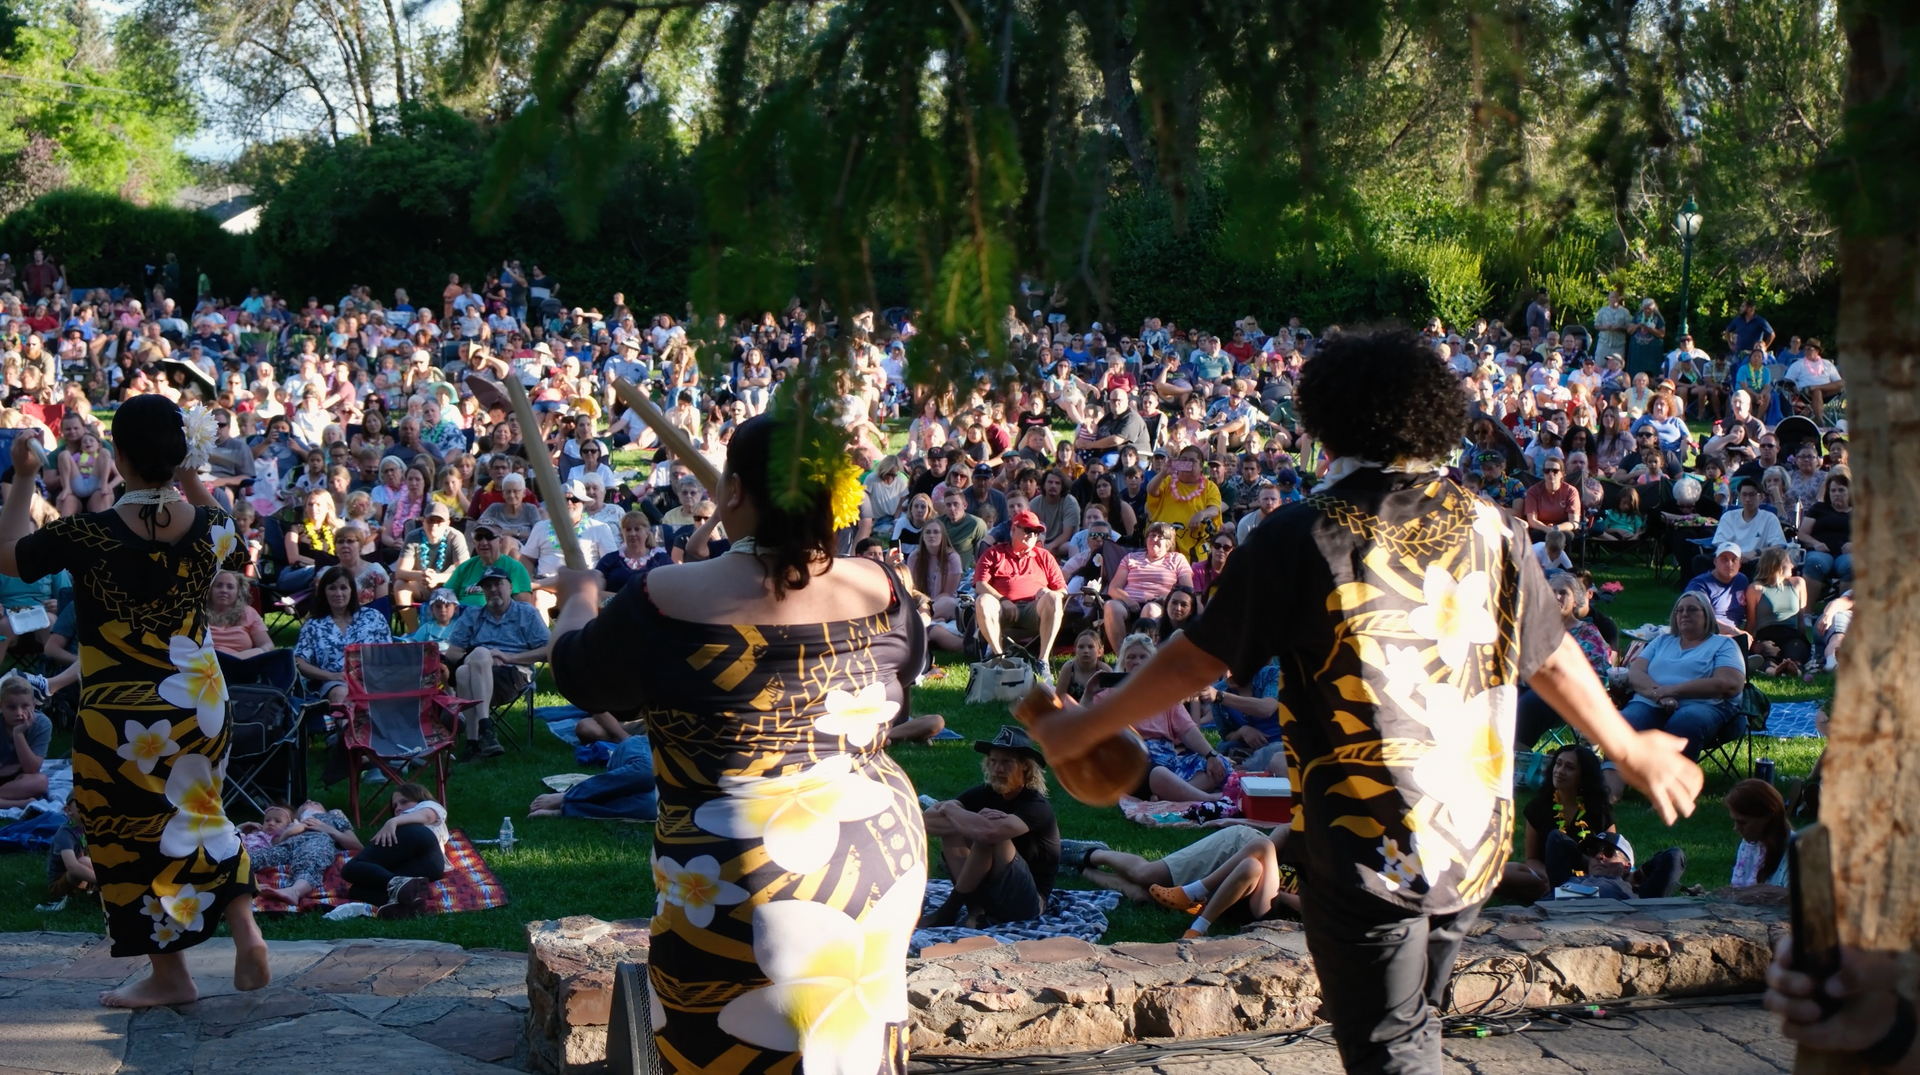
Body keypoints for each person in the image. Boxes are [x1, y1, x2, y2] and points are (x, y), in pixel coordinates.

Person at [1030, 328, 1701, 1075]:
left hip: (1367, 844)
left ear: (1327, 422)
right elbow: (1550, 652)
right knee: (1411, 1025)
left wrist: (1090, 721)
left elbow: (1200, 657)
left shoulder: (1302, 534)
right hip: (1471, 844)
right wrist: (1626, 744)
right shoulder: (1494, 528)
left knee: (1390, 1050)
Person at [544, 413, 927, 1075]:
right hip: (878, 851)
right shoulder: (881, 586)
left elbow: (580, 676)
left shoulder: (663, 596)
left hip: (741, 865)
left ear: (735, 491)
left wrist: (578, 597)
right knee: (846, 1048)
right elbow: (900, 686)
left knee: (726, 1048)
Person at [0, 394, 270, 1008]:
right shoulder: (211, 530)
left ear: (116, 455)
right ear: (180, 455)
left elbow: (10, 554)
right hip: (198, 699)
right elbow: (236, 547)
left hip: (120, 710)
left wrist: (23, 476)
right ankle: (246, 930)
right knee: (203, 813)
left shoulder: (86, 533)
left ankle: (171, 975)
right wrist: (189, 476)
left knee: (124, 830)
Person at [920, 725, 1060, 927]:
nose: (998, 769)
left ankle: (949, 910)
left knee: (991, 836)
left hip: (1027, 903)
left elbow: (988, 833)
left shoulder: (1036, 805)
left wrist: (952, 810)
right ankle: (976, 910)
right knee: (957, 831)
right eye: (993, 761)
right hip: (990, 892)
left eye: (1006, 762)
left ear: (1025, 766)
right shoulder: (984, 793)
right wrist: (965, 818)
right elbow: (927, 821)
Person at [1620, 591, 1747, 759]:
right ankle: (1611, 774)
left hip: (1703, 706)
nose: (1684, 614)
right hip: (1651, 701)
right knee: (1627, 722)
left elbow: (1730, 684)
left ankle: (1669, 775)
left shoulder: (1723, 644)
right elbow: (1636, 672)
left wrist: (1673, 691)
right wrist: (1660, 695)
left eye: (1692, 609)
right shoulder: (1661, 641)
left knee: (1685, 722)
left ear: (1707, 614)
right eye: (1679, 610)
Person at [445, 566, 551, 760]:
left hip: (513, 674)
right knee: (471, 663)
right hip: (477, 671)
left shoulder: (526, 613)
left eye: (498, 584)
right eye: (487, 586)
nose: (493, 589)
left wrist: (508, 657)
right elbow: (453, 653)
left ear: (510, 587)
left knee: (465, 670)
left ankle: (475, 739)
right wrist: (482, 658)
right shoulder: (472, 615)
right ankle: (483, 733)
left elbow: (547, 650)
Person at [1495, 744, 1615, 904]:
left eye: (1570, 767)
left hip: (1588, 879)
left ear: (1584, 776)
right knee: (1499, 871)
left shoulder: (1600, 810)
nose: (1560, 771)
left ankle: (1557, 894)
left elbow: (1611, 856)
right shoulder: (1538, 807)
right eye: (1558, 764)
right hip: (1545, 877)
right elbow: (1532, 859)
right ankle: (1557, 892)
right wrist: (1549, 877)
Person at [1514, 573, 1613, 749]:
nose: (1556, 597)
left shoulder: (1587, 633)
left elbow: (1599, 675)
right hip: (1525, 688)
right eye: (1552, 592)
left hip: (1565, 696)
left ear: (1576, 601)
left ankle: (1516, 758)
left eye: (1563, 592)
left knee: (1530, 704)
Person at [971, 509, 1067, 676]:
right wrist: (1003, 600)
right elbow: (980, 585)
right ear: (1014, 529)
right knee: (983, 600)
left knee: (1053, 597)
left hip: (1034, 609)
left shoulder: (1044, 556)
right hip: (1001, 609)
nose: (1032, 535)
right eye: (1027, 530)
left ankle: (1042, 661)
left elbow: (1062, 590)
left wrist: (1048, 591)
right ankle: (999, 657)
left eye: (1036, 532)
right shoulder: (994, 553)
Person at [340, 783, 447, 918]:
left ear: (421, 799)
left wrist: (392, 822)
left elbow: (425, 816)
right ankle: (407, 904)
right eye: (395, 806)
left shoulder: (428, 806)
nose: (398, 808)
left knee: (351, 868)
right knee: (357, 890)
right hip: (431, 866)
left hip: (420, 839)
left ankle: (395, 882)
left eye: (404, 802)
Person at [292, 566, 394, 706]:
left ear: (352, 591)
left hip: (373, 679)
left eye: (343, 588)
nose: (338, 593)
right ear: (324, 592)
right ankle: (348, 720)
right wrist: (331, 676)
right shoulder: (314, 625)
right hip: (335, 682)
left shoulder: (373, 617)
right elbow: (298, 661)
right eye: (332, 588)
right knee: (341, 694)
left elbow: (389, 653)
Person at [1100, 521, 1193, 651]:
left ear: (1169, 543)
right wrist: (1129, 601)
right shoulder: (1131, 558)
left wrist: (1167, 598)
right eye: (1152, 535)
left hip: (1159, 603)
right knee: (1111, 606)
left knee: (1150, 609)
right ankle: (1122, 655)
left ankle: (1146, 655)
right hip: (1129, 603)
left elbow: (1187, 590)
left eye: (1160, 537)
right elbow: (1114, 588)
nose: (1154, 539)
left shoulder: (1177, 559)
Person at [207, 570, 294, 690]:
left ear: (238, 592)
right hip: (205, 667)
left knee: (285, 655)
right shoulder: (196, 613)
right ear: (210, 589)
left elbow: (268, 645)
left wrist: (240, 656)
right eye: (218, 585)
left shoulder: (248, 613)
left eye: (230, 587)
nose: (224, 590)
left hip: (240, 668)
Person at [1746, 547, 1810, 677]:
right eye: (1788, 562)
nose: (1792, 565)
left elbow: (1801, 619)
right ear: (1778, 566)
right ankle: (1772, 670)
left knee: (1795, 650)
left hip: (1791, 634)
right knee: (1768, 652)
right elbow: (1751, 622)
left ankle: (1795, 669)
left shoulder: (1798, 583)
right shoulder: (1756, 589)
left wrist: (1803, 639)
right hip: (1767, 635)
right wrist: (1746, 643)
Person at [445, 523, 535, 605]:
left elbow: (523, 606)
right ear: (474, 542)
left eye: (489, 537)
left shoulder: (515, 567)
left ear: (500, 541)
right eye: (479, 537)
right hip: (463, 615)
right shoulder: (465, 567)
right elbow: (445, 595)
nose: (483, 542)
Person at [1725, 778, 1789, 890]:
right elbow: (1738, 890)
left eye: (1743, 822)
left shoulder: (1796, 855)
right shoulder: (1748, 845)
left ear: (1768, 817)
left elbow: (1794, 899)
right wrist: (1706, 896)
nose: (1736, 828)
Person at [1799, 475, 1853, 603]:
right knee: (1814, 563)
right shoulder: (1819, 508)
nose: (1836, 494)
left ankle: (1844, 610)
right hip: (1820, 552)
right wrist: (1815, 543)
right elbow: (1802, 533)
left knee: (1852, 565)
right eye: (1833, 490)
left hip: (1847, 554)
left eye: (1841, 490)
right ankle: (1807, 611)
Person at [0, 674, 50, 808]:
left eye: (25, 706)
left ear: (33, 705)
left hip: (18, 779)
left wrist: (18, 734)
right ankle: (18, 803)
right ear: (1, 706)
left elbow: (32, 769)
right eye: (11, 707)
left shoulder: (41, 724)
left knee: (41, 782)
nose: (19, 713)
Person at [1685, 543, 1752, 637]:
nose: (1729, 564)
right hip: (1707, 634)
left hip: (1734, 634)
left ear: (1740, 563)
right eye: (1724, 559)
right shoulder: (1699, 584)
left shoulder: (1742, 580)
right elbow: (1702, 618)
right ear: (1715, 561)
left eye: (1734, 560)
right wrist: (1733, 631)